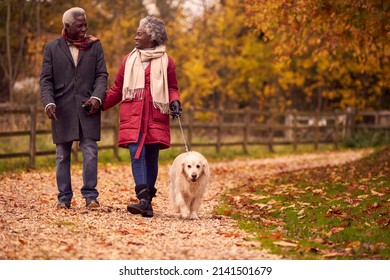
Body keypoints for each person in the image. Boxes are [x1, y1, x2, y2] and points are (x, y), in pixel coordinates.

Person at [103, 16, 181, 218]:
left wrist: (175, 102)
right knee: (136, 154)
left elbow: (172, 87)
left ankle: (147, 203)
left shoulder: (166, 61)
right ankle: (143, 199)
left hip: (155, 115)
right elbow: (118, 89)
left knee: (151, 157)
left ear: (152, 37)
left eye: (140, 33)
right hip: (134, 116)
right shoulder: (129, 60)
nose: (136, 37)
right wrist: (99, 104)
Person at [40, 7, 108, 209]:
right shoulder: (52, 48)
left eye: (85, 23)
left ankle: (91, 196)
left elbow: (102, 75)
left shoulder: (95, 46)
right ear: (67, 26)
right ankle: (64, 198)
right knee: (62, 155)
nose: (85, 28)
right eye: (80, 25)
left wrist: (97, 97)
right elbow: (45, 80)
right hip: (62, 109)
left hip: (89, 107)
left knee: (90, 151)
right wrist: (48, 103)